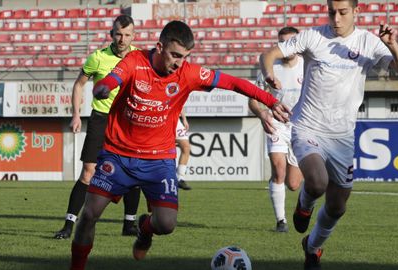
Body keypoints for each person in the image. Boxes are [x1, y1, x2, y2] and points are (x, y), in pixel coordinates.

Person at [69, 20, 290, 270]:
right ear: (159, 46)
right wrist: (103, 87)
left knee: (166, 224)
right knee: (88, 215)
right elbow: (113, 79)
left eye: (185, 57)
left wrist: (270, 102)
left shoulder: (188, 73)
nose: (179, 62)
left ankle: (145, 228)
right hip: (118, 154)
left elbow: (233, 83)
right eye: (174, 55)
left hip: (158, 160)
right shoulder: (135, 61)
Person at [260, 1, 398, 269]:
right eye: (332, 12)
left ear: (356, 12)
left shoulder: (367, 41)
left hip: (342, 137)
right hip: (308, 126)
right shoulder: (314, 36)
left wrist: (392, 44)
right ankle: (304, 205)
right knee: (317, 182)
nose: (336, 18)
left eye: (343, 12)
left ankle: (312, 247)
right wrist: (268, 72)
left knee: (338, 206)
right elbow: (269, 54)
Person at [54, 15, 142, 239]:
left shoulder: (139, 57)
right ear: (111, 34)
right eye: (118, 34)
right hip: (101, 118)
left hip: (128, 121)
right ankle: (68, 225)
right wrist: (76, 114)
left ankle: (129, 224)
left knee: (133, 171)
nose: (122, 39)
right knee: (88, 172)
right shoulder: (98, 57)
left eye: (127, 35)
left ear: (133, 36)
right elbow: (79, 84)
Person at [249, 26, 304, 233]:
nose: (285, 47)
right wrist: (262, 113)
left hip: (300, 125)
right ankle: (281, 221)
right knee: (278, 170)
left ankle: (301, 206)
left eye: (290, 42)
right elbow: (253, 100)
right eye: (282, 43)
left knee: (294, 184)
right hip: (276, 123)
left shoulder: (307, 66)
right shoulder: (269, 69)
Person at [176, 111, 192, 190]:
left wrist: (184, 119)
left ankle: (180, 178)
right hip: (162, 118)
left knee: (186, 147)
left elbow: (180, 103)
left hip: (175, 119)